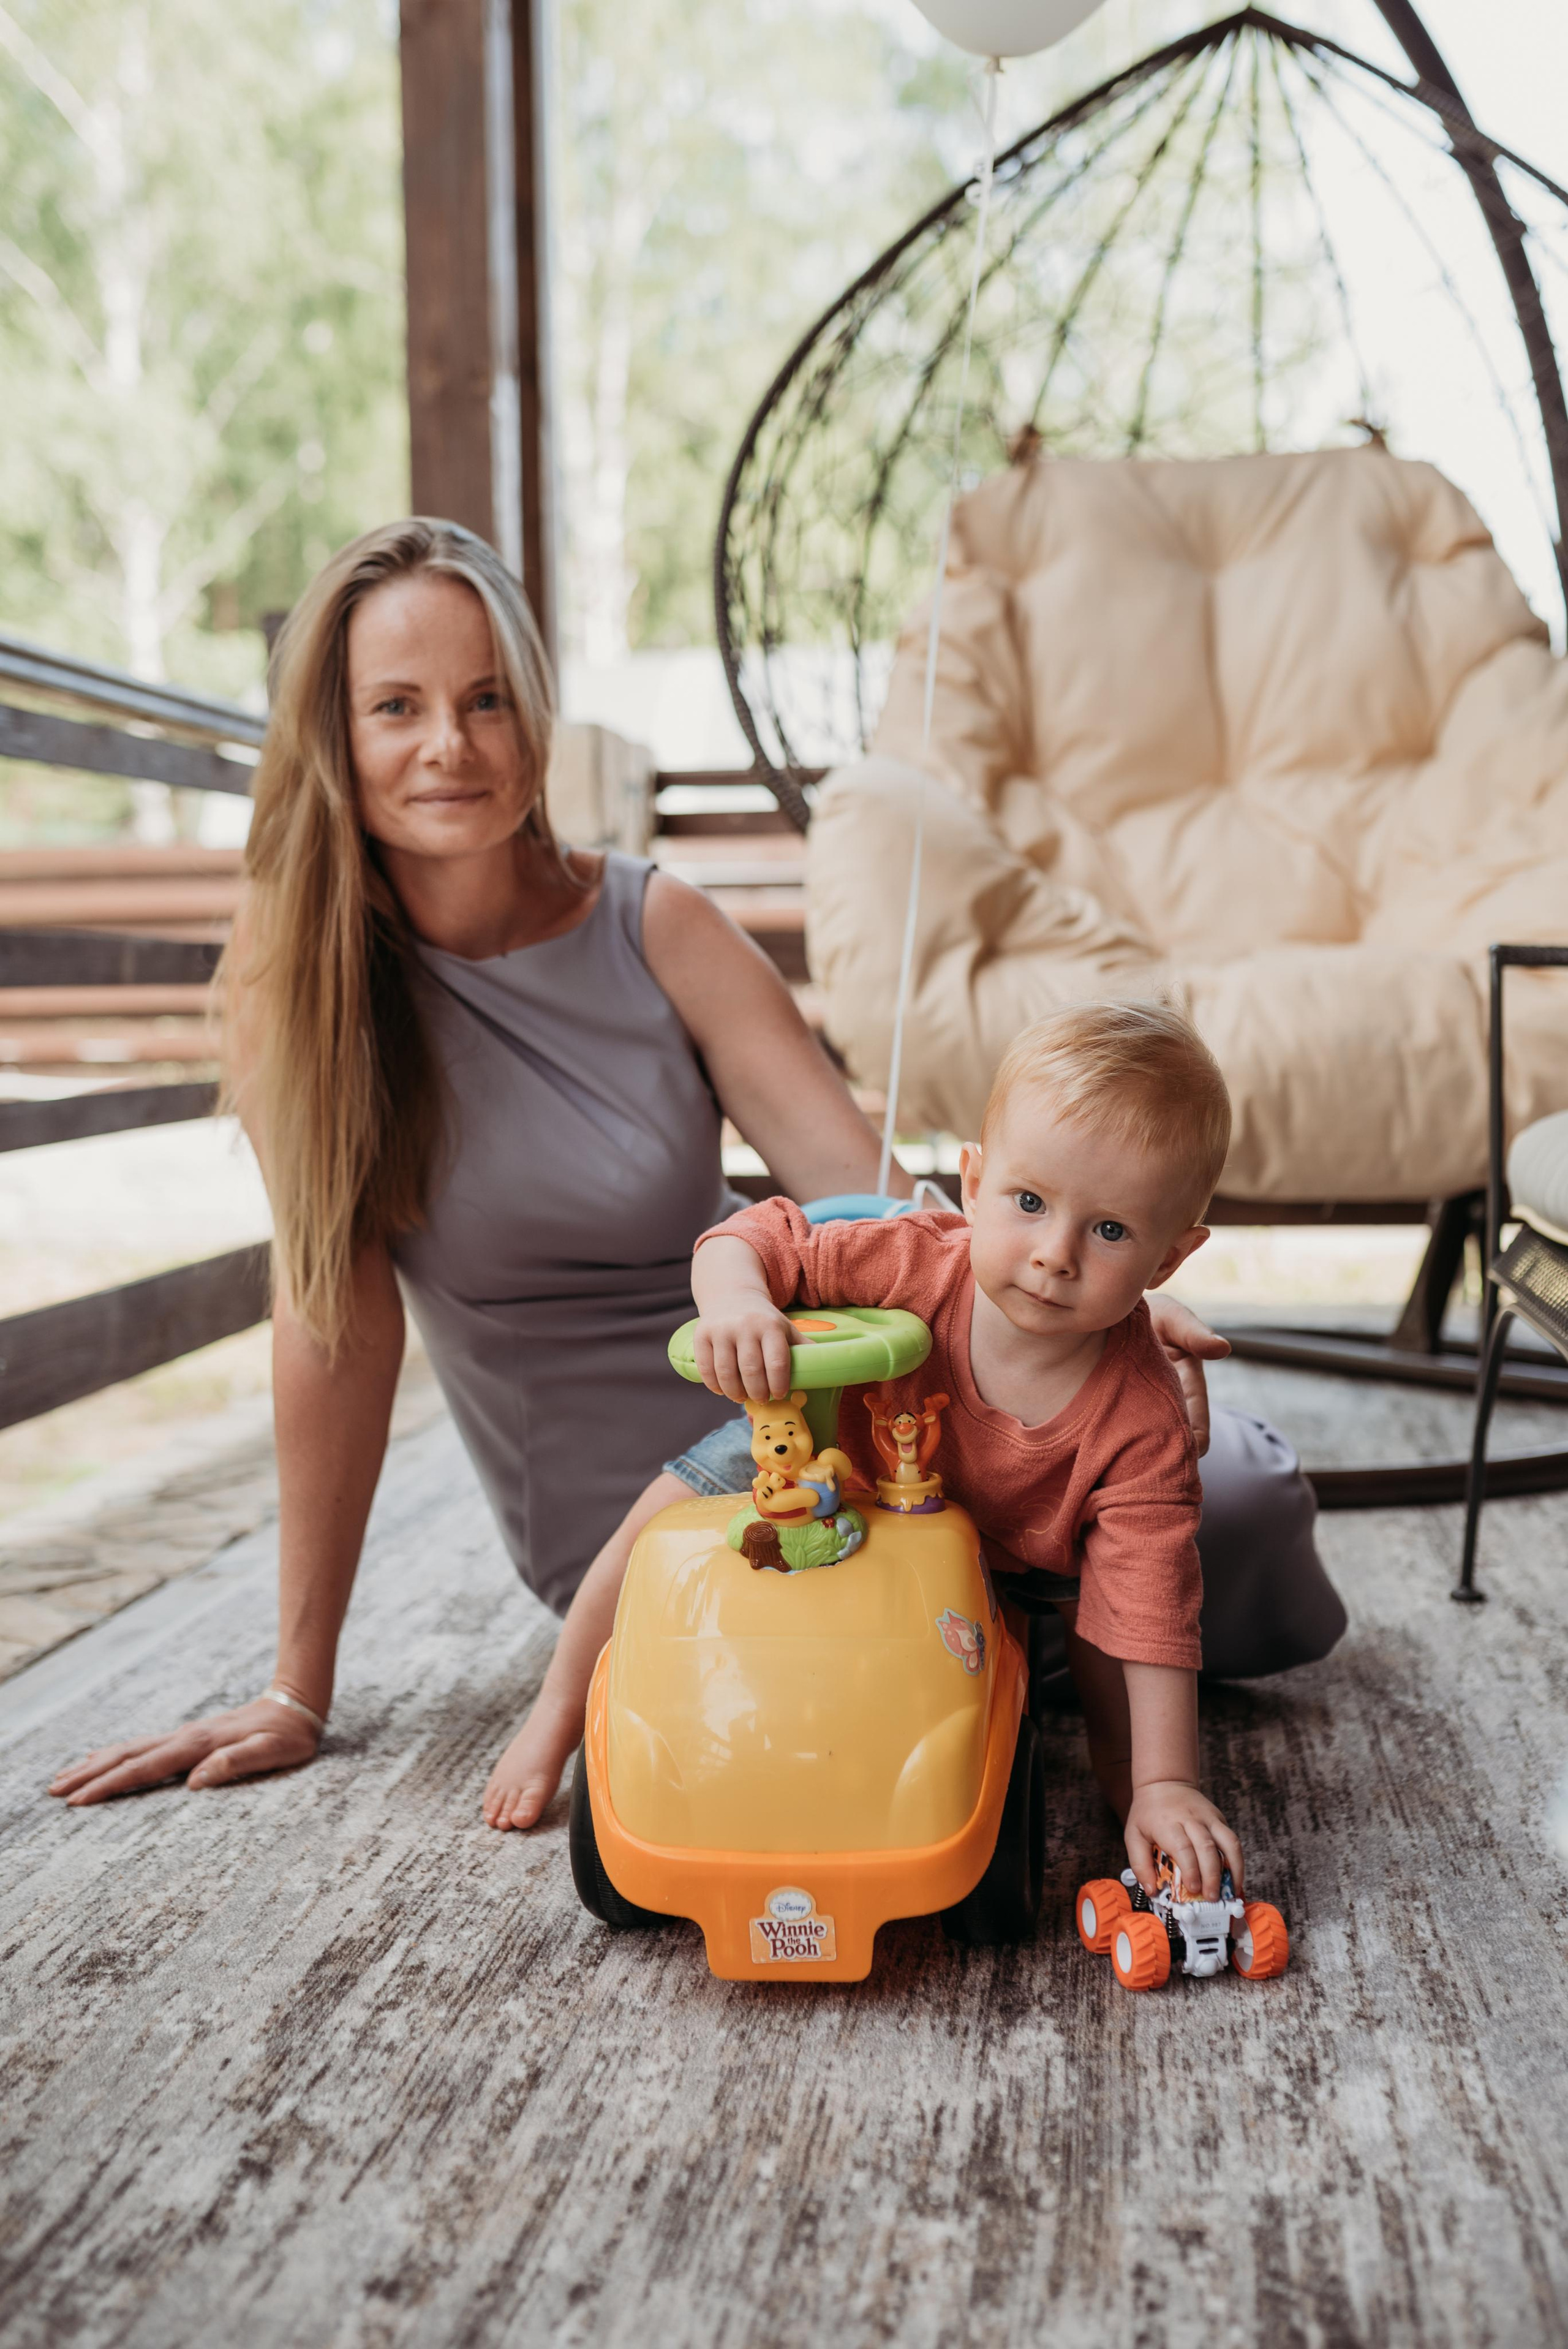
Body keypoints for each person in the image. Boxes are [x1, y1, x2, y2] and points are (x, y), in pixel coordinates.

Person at [47, 520, 1343, 1825]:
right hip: (624, 1508)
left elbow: (862, 1189)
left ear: (535, 714)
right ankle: (1008, 1632)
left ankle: (1017, 1640)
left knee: (1220, 1498)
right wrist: (295, 1690)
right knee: (914, 1601)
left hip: (835, 1402)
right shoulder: (306, 985)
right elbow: (334, 1324)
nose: (450, 744)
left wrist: (1064, 1296)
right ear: (334, 733)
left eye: (487, 698)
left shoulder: (654, 920)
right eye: (398, 706)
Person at [691, 1002, 1245, 1898]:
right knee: (676, 1504)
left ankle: (1136, 1786)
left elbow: (1153, 1603)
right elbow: (757, 1237)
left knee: (1116, 1696)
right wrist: (736, 1303)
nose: (1054, 1255)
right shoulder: (912, 1261)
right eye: (1029, 1203)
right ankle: (562, 1708)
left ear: (1169, 1259)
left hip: (1044, 1560)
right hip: (865, 1510)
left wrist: (1165, 1778)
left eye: (1110, 1231)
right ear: (975, 1183)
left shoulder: (1144, 1419)